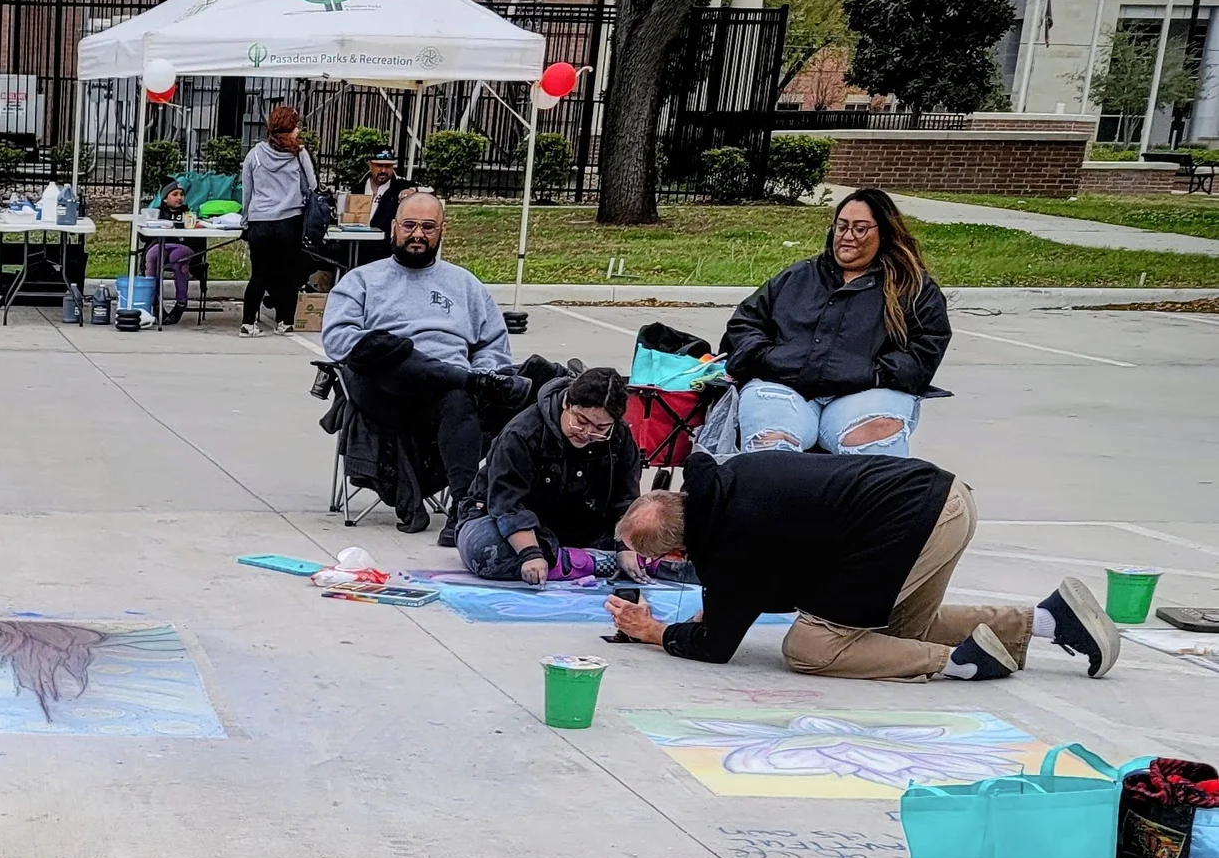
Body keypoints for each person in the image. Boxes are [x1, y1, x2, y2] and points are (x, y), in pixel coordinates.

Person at [605, 449, 1121, 682]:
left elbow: (718, 647)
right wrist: (714, 611)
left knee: (811, 647)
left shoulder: (728, 547)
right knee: (899, 630)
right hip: (945, 496)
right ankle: (1052, 621)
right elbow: (762, 585)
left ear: (675, 554)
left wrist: (655, 632)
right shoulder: (730, 476)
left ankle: (960, 663)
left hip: (910, 524)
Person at [318, 185, 516, 533]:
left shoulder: (466, 285)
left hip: (442, 401)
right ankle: (461, 378)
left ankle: (464, 511)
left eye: (428, 227)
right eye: (409, 225)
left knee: (459, 399)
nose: (417, 235)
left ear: (443, 231)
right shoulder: (362, 280)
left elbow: (493, 347)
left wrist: (481, 371)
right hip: (385, 393)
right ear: (394, 227)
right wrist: (389, 351)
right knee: (394, 352)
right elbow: (338, 340)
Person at [720, 186, 947, 456]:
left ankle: (868, 497)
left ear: (884, 233)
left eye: (860, 229)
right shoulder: (797, 277)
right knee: (769, 443)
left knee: (877, 433)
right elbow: (743, 325)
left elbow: (925, 351)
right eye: (842, 227)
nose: (847, 237)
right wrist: (769, 358)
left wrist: (873, 373)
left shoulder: (912, 288)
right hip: (785, 388)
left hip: (866, 394)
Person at [454, 365, 641, 583]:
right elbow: (507, 505)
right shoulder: (523, 433)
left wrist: (626, 546)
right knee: (487, 554)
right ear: (566, 404)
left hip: (580, 526)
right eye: (581, 421)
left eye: (600, 429)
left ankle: (572, 560)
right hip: (502, 520)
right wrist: (530, 553)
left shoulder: (619, 437)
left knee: (655, 542)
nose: (588, 433)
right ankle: (587, 562)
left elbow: (626, 499)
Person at [237, 102, 317, 334]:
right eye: (296, 126)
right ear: (290, 129)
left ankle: (248, 322)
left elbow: (247, 192)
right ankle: (285, 321)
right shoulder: (299, 154)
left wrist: (245, 221)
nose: (299, 130)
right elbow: (310, 186)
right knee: (287, 274)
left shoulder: (255, 155)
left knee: (259, 274)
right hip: (289, 220)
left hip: (260, 221)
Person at [141, 180, 195, 322]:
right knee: (153, 256)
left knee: (178, 258)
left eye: (181, 194)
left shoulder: (188, 214)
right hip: (161, 244)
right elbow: (143, 234)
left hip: (182, 245)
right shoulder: (157, 213)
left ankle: (181, 303)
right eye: (175, 194)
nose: (179, 198)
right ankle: (155, 301)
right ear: (165, 198)